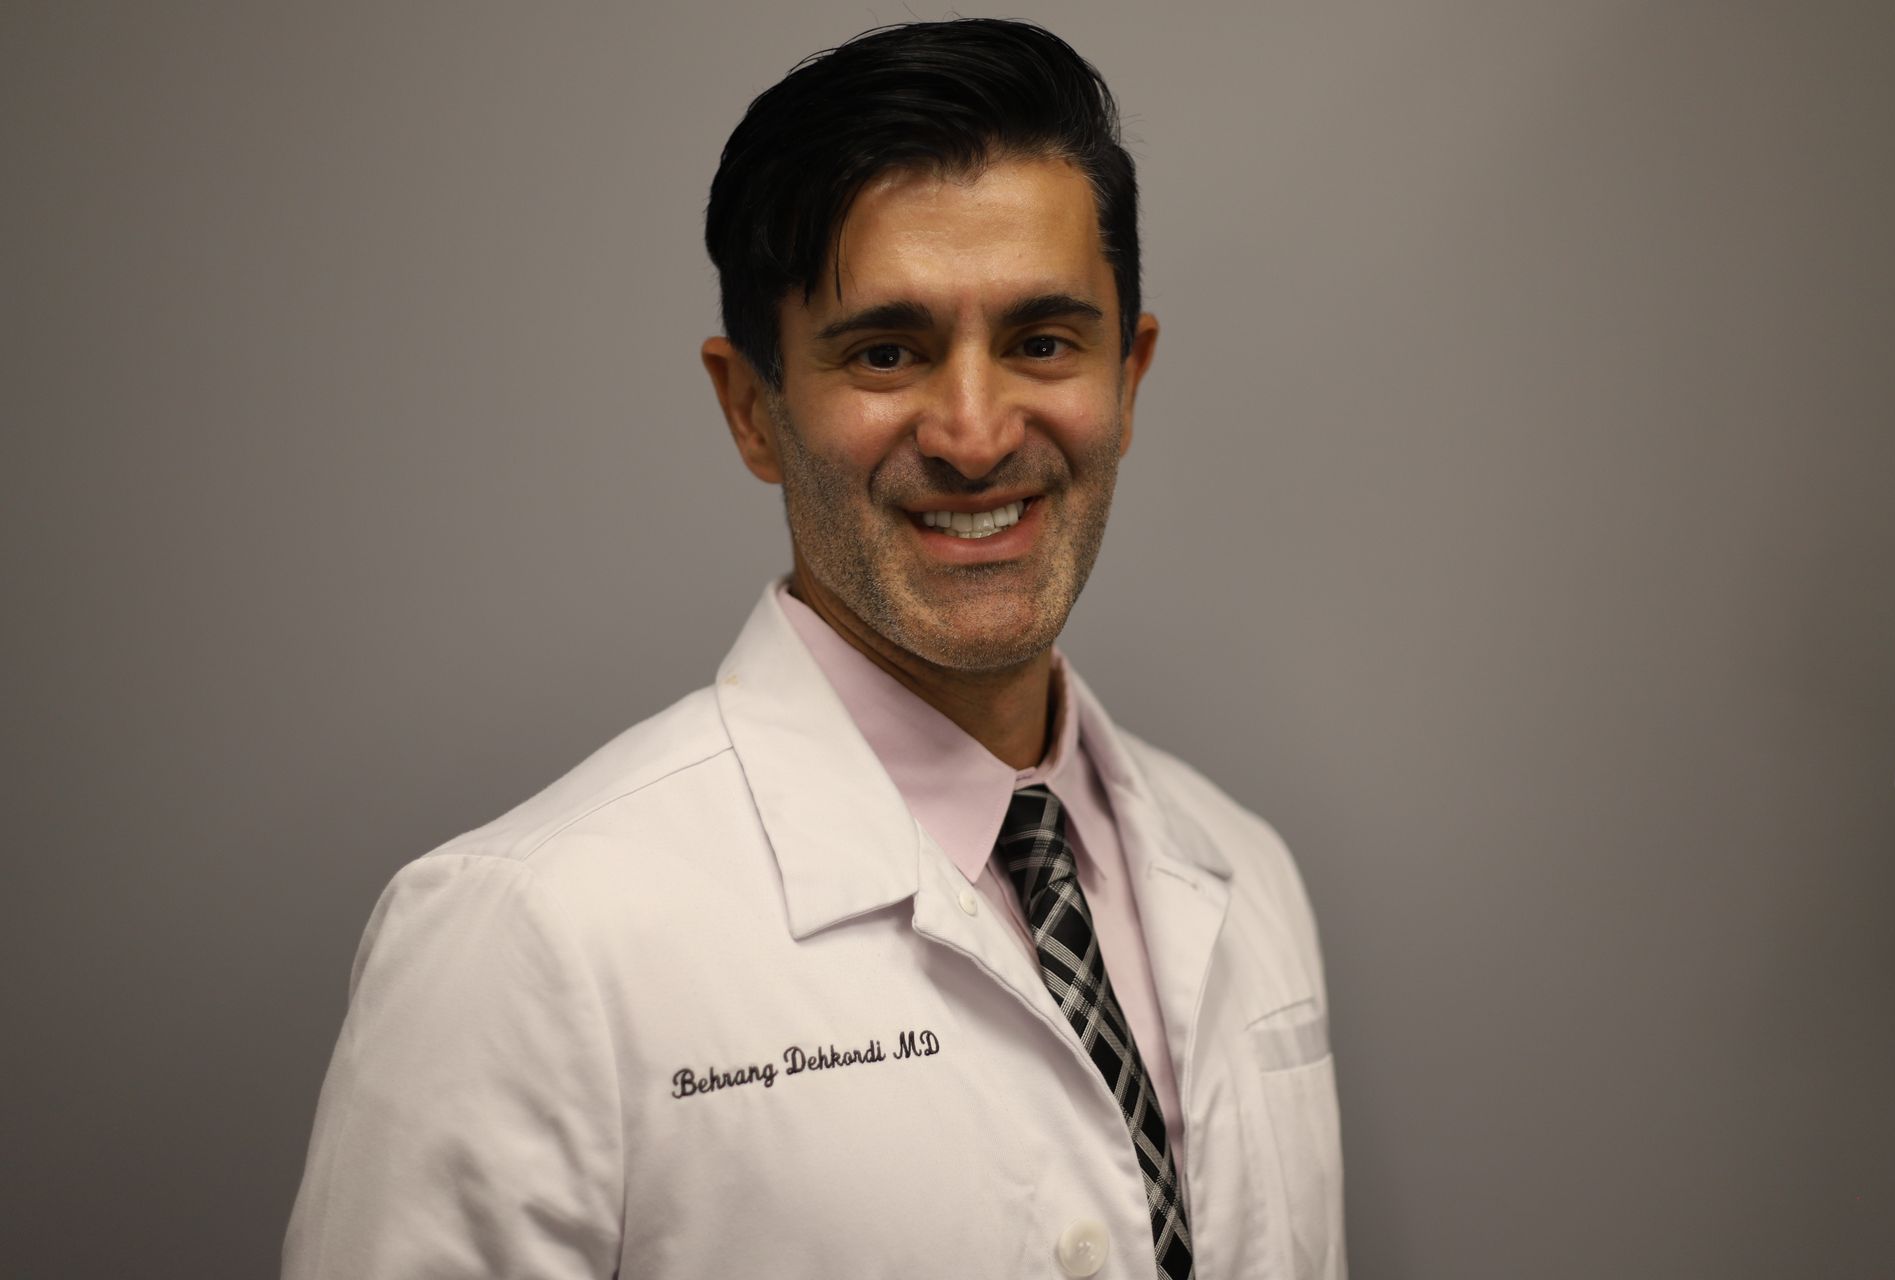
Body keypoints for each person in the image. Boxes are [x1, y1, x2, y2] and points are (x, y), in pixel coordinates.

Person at [282, 18, 1344, 1280]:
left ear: (1131, 377)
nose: (972, 431)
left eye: (1043, 341)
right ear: (752, 408)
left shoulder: (1245, 872)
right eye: (885, 350)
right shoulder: (531, 940)